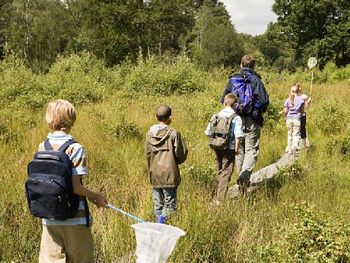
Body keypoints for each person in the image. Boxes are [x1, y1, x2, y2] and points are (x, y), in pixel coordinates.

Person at [38, 99, 108, 263]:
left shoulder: (42, 146)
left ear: (49, 119)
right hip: (74, 217)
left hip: (49, 216)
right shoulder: (75, 148)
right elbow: (76, 187)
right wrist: (95, 196)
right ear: (71, 119)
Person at [221, 55, 269, 193]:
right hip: (252, 119)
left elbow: (223, 99)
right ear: (253, 66)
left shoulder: (233, 80)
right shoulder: (256, 80)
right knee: (251, 149)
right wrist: (257, 109)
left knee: (239, 149)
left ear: (240, 65)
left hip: (235, 119)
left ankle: (241, 178)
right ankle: (244, 176)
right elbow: (264, 100)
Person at [145, 105, 188, 224]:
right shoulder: (174, 133)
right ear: (170, 118)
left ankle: (158, 226)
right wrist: (176, 162)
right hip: (170, 174)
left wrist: (151, 169)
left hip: (154, 173)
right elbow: (181, 154)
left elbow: (147, 155)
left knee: (158, 205)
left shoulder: (149, 134)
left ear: (156, 117)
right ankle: (161, 224)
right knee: (170, 205)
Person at [205, 93, 244, 202]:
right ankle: (220, 199)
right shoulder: (236, 118)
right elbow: (238, 135)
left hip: (217, 147)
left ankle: (218, 192)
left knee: (220, 169)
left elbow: (208, 132)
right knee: (226, 171)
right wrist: (236, 149)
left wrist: (216, 141)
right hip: (229, 148)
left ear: (224, 103)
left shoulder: (216, 115)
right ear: (235, 104)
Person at [281, 86, 305, 154]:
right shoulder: (301, 100)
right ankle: (294, 147)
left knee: (289, 133)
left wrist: (285, 116)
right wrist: (301, 114)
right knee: (296, 134)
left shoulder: (287, 100)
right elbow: (302, 111)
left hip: (289, 119)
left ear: (291, 91)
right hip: (296, 119)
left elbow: (285, 111)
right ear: (298, 92)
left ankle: (288, 148)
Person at [295, 82, 311, 148]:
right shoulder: (304, 96)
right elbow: (307, 107)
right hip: (302, 115)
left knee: (295, 130)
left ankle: (295, 145)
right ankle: (303, 145)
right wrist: (309, 101)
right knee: (302, 129)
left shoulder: (293, 96)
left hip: (294, 116)